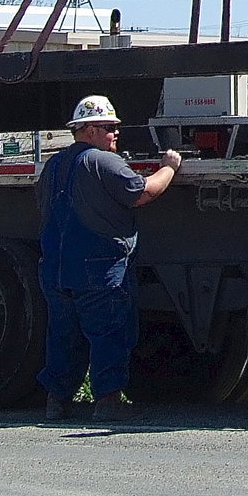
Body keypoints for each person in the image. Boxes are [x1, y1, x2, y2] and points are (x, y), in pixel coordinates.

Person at [36, 95, 183, 424]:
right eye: (107, 128)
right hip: (98, 270)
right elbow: (143, 192)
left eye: (115, 128)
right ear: (86, 130)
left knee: (63, 337)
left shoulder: (54, 165)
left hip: (57, 270)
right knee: (108, 335)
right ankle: (108, 402)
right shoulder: (103, 162)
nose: (114, 133)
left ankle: (56, 402)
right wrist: (169, 167)